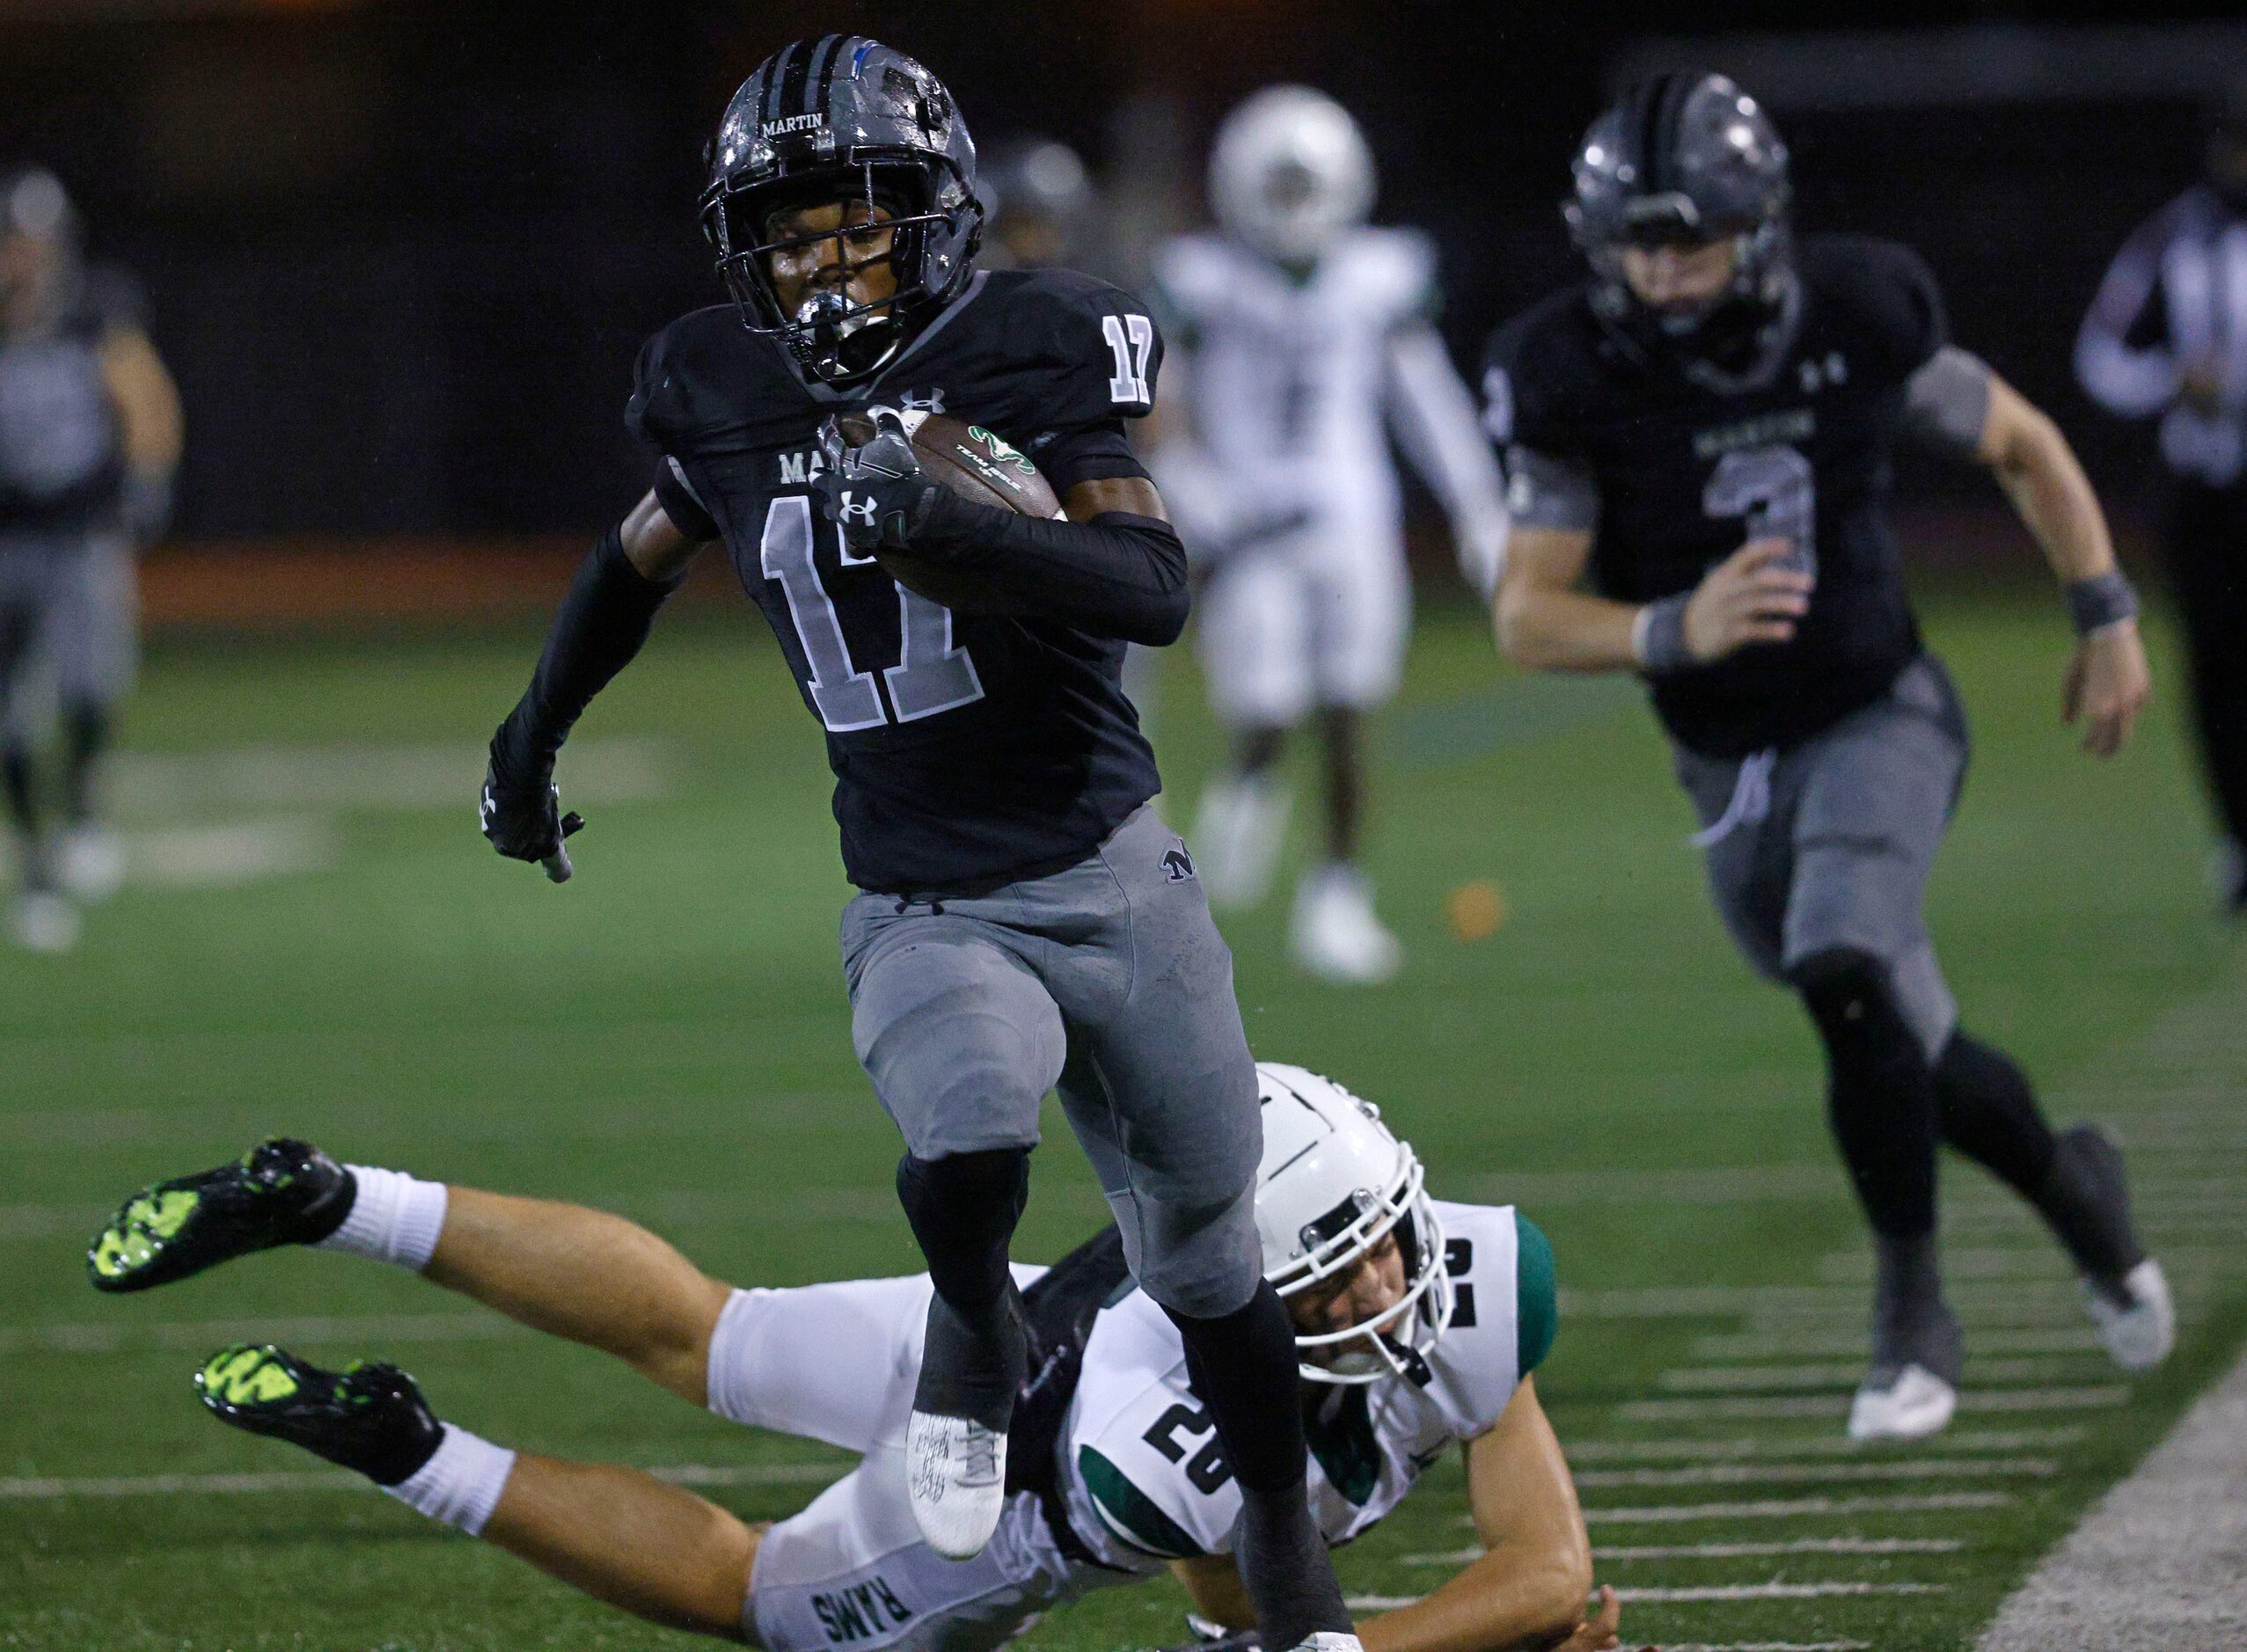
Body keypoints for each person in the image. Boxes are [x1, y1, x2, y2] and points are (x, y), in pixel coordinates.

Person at [474, 38, 1355, 1652]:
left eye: (850, 222)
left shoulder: (1028, 343)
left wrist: (964, 533)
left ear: (934, 215)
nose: (818, 260)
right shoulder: (720, 387)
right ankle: (972, 1321)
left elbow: (1156, 584)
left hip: (1109, 866)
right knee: (963, 1135)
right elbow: (631, 566)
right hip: (925, 894)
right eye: (787, 232)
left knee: (1211, 1257)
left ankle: (1287, 1545)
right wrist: (527, 740)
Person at [1484, 72, 2172, 1442]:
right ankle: (2074, 1187)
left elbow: (2024, 444)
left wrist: (2102, 609)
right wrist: (1679, 624)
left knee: (1844, 958)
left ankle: (1912, 1313)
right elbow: (1524, 614)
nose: (1668, 273)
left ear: (1762, 227)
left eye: (1696, 240)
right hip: (1724, 760)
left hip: (1880, 705)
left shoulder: (1860, 311)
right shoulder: (1569, 370)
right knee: (1893, 1029)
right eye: (1643, 243)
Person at [85, 1064, 1622, 1652]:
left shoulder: (1474, 1276)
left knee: (714, 1330)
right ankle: (410, 1441)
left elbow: (1542, 1561)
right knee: (750, 1590)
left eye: (1379, 1236)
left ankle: (330, 1196)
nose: (1375, 1283)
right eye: (1324, 1267)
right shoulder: (1166, 1451)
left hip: (1016, 1310)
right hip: (1019, 1485)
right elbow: (1233, 1603)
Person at [1160, 88, 1509, 984]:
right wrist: (1196, 498)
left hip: (1350, 516)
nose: (1288, 208)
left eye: (1298, 187)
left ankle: (1338, 896)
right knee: (1264, 704)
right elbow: (1162, 407)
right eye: (1271, 189)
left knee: (1349, 705)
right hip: (1247, 525)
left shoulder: (1376, 274)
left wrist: (1477, 506)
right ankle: (1248, 782)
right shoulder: (1204, 279)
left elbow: (1423, 399)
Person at [0, 166, 180, 952]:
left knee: (87, 684)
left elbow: (143, 395)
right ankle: (35, 849)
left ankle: (77, 817)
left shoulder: (94, 309)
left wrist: (144, 477)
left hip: (78, 531)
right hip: (5, 534)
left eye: (33, 241)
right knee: (8, 710)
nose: (23, 256)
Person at [2075, 81, 2247, 907]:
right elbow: (2101, 358)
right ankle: (2239, 839)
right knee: (2216, 671)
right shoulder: (2177, 237)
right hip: (2208, 490)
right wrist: (2172, 383)